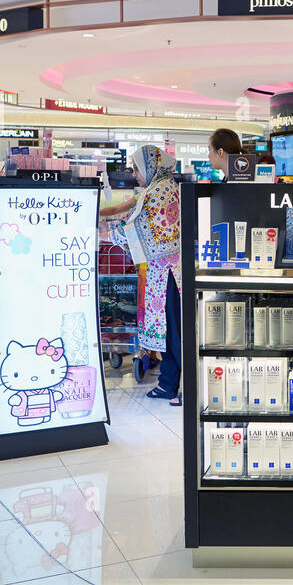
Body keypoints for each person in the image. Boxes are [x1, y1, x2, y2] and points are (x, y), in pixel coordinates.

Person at [101, 145, 183, 405]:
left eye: (137, 168)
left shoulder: (160, 191)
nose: (134, 173)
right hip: (166, 271)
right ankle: (168, 383)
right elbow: (132, 214)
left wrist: (105, 235)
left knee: (174, 331)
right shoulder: (162, 187)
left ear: (150, 166)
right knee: (172, 330)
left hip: (167, 272)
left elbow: (136, 228)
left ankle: (181, 388)